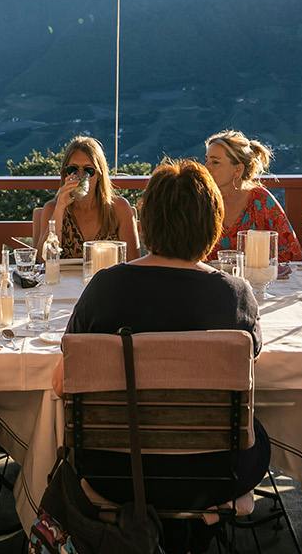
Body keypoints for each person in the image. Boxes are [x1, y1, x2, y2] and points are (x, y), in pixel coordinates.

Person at [65, 159, 272, 525]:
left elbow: (63, 380)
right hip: (215, 474)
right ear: (213, 224)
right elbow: (250, 374)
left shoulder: (105, 288)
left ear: (146, 223)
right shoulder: (233, 295)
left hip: (114, 472)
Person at [37, 135, 138, 258]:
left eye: (88, 170)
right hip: (66, 278)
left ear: (100, 174)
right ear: (65, 173)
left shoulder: (118, 208)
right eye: (73, 169)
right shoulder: (52, 209)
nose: (80, 175)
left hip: (108, 278)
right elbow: (42, 262)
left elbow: (132, 260)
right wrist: (60, 208)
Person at [203, 130, 298, 256]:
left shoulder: (260, 201)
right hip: (207, 276)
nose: (206, 167)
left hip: (255, 275)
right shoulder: (201, 200)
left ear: (238, 170)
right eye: (207, 160)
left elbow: (292, 252)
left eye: (215, 162)